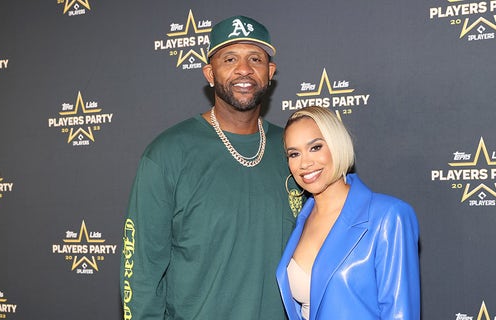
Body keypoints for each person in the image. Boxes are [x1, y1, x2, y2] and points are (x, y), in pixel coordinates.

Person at [121, 15, 299, 320]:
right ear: (209, 73)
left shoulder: (295, 152)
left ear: (269, 73)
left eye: (255, 58)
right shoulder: (167, 153)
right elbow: (141, 273)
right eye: (229, 58)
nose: (244, 69)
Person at [276, 106, 420, 320]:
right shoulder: (300, 221)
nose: (304, 163)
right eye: (294, 154)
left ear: (337, 146)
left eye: (315, 147)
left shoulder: (389, 216)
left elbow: (401, 313)